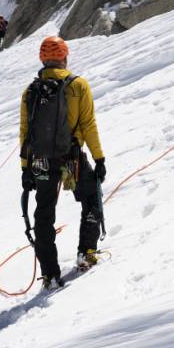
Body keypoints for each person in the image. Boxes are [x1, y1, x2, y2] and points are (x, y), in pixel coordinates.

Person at [20, 36, 106, 289]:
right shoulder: (78, 85)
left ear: (42, 60)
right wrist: (99, 157)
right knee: (90, 197)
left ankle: (49, 274)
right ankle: (87, 251)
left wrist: (25, 168)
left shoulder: (31, 91)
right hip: (71, 159)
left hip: (41, 162)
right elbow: (88, 125)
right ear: (65, 57)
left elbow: (25, 133)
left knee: (44, 215)